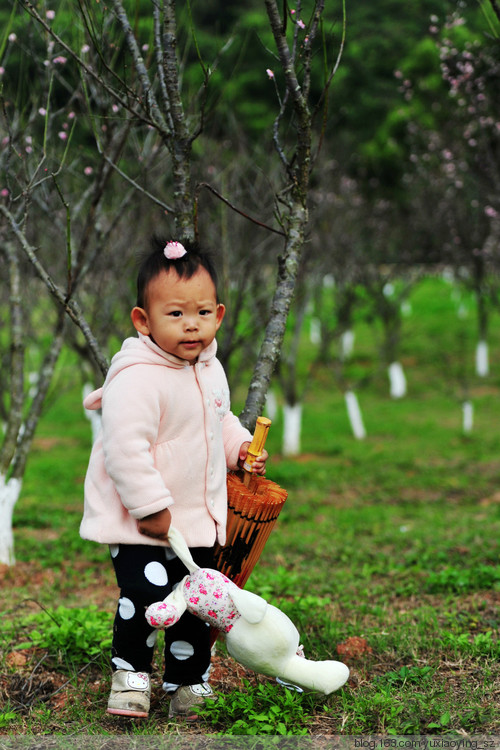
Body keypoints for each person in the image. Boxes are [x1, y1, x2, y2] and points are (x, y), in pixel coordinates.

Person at [80, 237, 268, 721]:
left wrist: (240, 450)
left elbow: (220, 422)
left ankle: (188, 682)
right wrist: (150, 509)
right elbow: (125, 450)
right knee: (145, 598)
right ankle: (131, 674)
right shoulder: (138, 378)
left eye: (203, 313)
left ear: (220, 315)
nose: (192, 325)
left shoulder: (210, 369)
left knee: (197, 603)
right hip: (143, 521)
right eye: (176, 314)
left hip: (196, 519)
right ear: (143, 320)